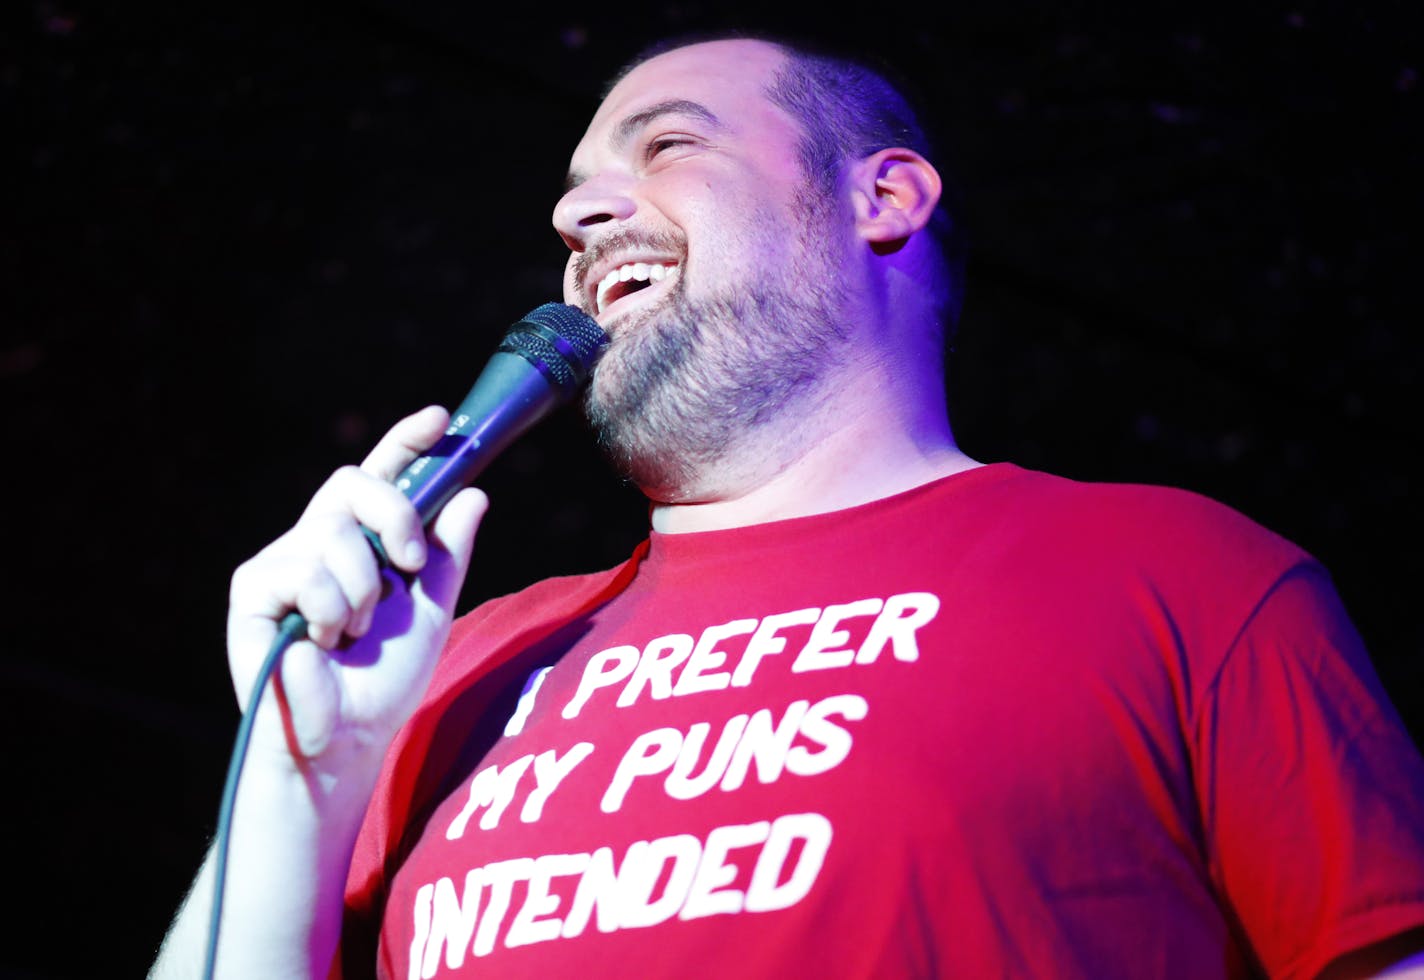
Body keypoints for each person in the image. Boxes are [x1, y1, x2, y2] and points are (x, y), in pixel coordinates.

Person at [150, 33, 1424, 979]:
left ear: (882, 198)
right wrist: (300, 776)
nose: (576, 212)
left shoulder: (1176, 577)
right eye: (577, 187)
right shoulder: (463, 662)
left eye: (667, 145)